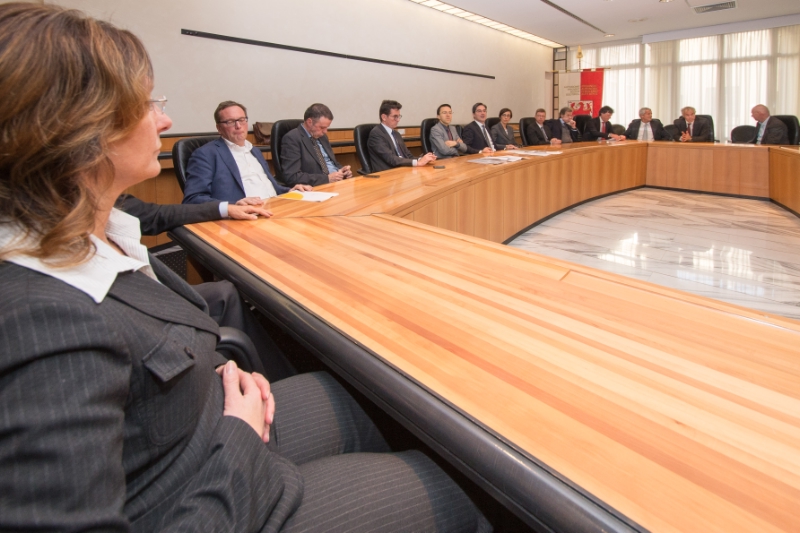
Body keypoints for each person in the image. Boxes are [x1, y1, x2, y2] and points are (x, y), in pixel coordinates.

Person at [0, 5, 492, 533]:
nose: (164, 121)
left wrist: (214, 372)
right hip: (212, 480)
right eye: (146, 105)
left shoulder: (103, 228)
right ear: (80, 129)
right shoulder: (38, 320)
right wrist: (238, 430)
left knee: (366, 406)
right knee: (455, 489)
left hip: (207, 419)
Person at [182, 100, 312, 205]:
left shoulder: (254, 151)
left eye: (241, 120)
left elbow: (271, 187)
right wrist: (233, 205)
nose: (238, 126)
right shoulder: (205, 154)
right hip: (243, 217)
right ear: (219, 128)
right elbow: (193, 199)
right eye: (230, 122)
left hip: (274, 208)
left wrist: (290, 191)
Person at [280, 103, 352, 186]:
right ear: (309, 122)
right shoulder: (292, 138)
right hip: (317, 186)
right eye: (322, 127)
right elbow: (292, 176)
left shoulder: (322, 137)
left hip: (337, 183)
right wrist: (327, 179)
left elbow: (329, 162)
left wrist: (342, 170)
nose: (325, 131)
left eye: (327, 127)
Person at [368, 99, 436, 172]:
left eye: (399, 116)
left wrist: (422, 159)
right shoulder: (376, 134)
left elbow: (408, 156)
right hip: (387, 173)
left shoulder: (396, 134)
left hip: (402, 170)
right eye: (395, 116)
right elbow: (391, 159)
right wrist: (417, 163)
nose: (398, 120)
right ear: (384, 117)